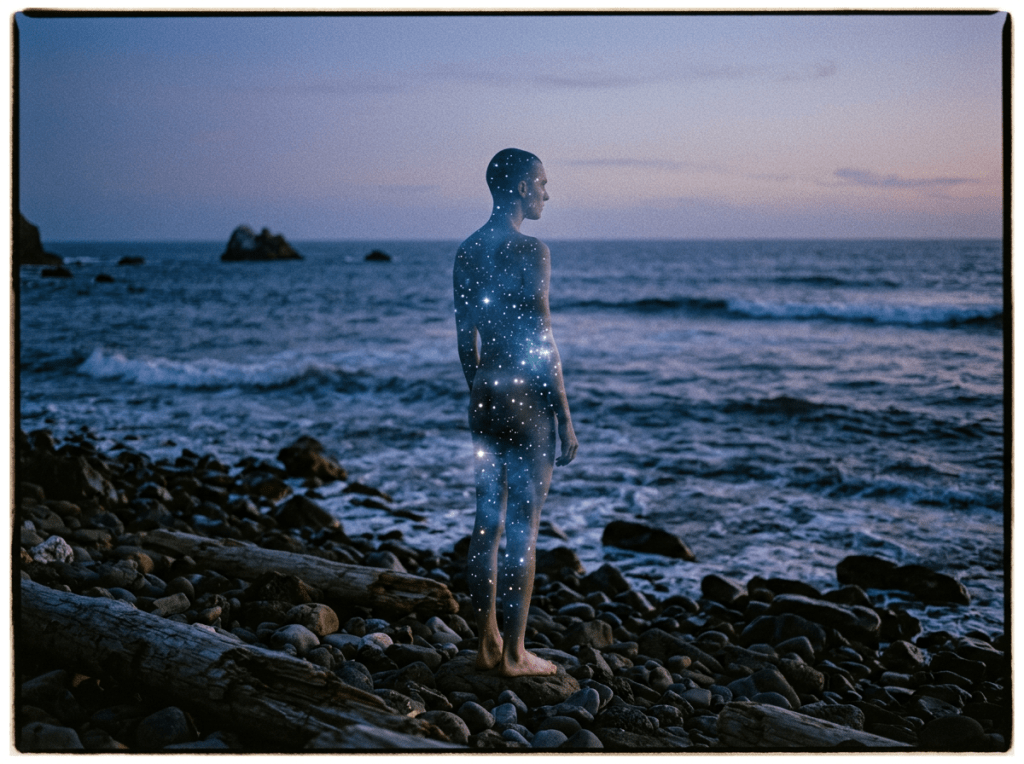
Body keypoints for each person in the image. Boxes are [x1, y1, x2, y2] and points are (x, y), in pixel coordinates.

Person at [453, 148, 578, 677]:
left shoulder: (467, 250)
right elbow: (541, 336)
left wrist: (480, 389)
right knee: (523, 528)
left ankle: (484, 644)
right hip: (526, 397)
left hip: (484, 391)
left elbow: (466, 339)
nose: (548, 194)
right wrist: (565, 416)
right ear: (522, 189)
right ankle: (515, 654)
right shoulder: (531, 250)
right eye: (543, 184)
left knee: (487, 525)